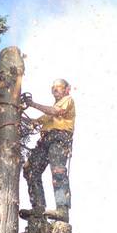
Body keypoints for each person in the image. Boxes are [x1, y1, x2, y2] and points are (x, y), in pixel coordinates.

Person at [20, 78, 75, 222]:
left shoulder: (67, 100)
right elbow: (35, 122)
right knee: (30, 169)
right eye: (53, 88)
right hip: (45, 141)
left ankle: (62, 210)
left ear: (66, 89)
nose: (55, 90)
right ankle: (38, 207)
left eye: (59, 87)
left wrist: (32, 104)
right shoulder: (48, 113)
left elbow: (55, 111)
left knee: (58, 171)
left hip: (59, 138)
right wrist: (18, 113)